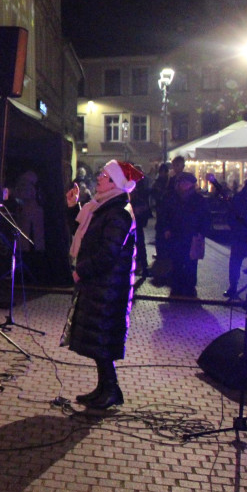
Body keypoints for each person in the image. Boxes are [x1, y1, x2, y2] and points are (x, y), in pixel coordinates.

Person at [64, 160, 141, 410]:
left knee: (103, 342)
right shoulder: (102, 206)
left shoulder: (118, 212)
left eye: (104, 175)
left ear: (115, 182)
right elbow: (83, 235)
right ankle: (105, 388)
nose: (99, 177)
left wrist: (81, 271)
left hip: (109, 288)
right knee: (99, 342)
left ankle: (110, 390)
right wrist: (72, 207)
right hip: (100, 286)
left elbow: (107, 253)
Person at [157, 172, 209, 297]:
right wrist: (165, 229)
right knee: (176, 261)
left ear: (192, 184)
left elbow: (205, 217)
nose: (184, 185)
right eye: (182, 182)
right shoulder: (170, 198)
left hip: (192, 236)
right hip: (175, 235)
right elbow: (163, 215)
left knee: (191, 262)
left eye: (187, 182)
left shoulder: (198, 200)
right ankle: (176, 285)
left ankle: (190, 286)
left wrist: (202, 232)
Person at [128, 165, 152, 275]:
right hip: (134, 215)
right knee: (138, 241)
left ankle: (142, 264)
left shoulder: (140, 184)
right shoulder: (139, 183)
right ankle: (141, 264)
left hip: (136, 216)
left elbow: (143, 199)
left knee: (139, 241)